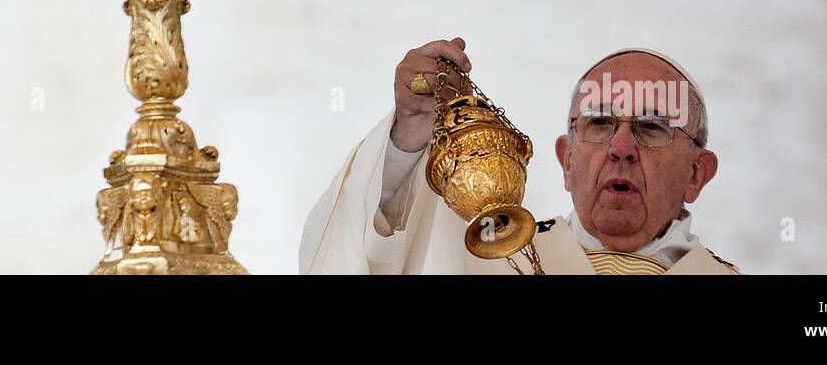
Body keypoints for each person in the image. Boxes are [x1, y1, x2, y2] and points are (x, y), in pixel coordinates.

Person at [299, 38, 740, 274]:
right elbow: (371, 260)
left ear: (697, 174)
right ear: (567, 161)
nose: (621, 149)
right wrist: (413, 129)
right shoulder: (483, 262)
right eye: (600, 125)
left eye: (651, 128)